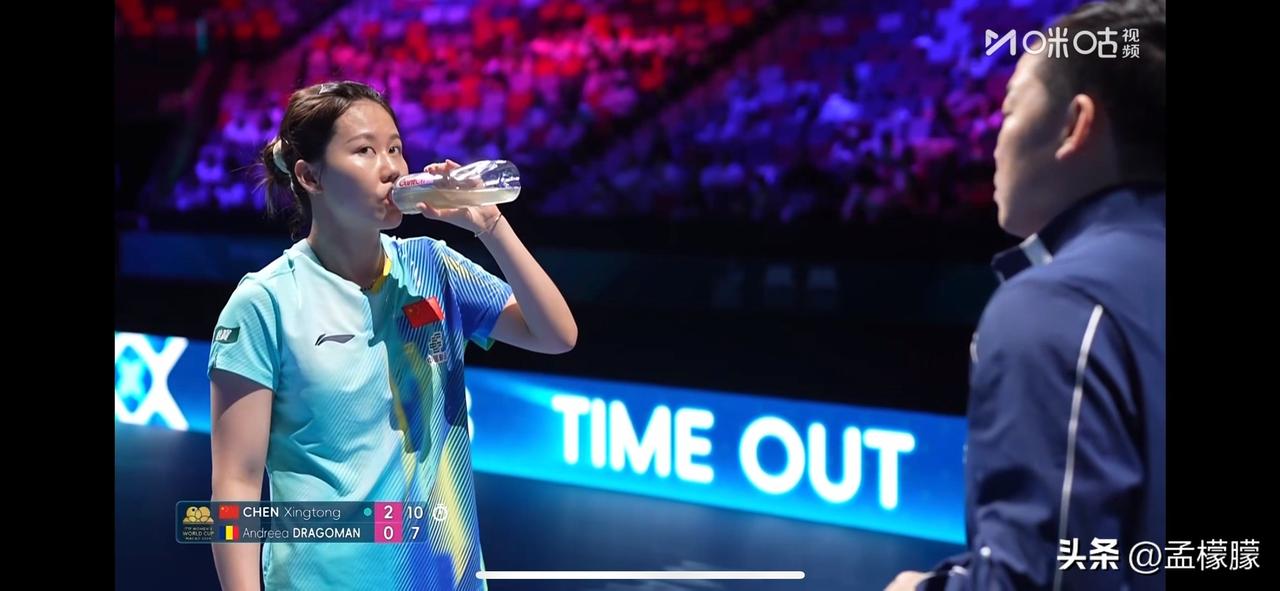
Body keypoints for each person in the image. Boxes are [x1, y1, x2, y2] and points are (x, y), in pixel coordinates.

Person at [208, 80, 578, 590]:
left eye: (396, 148)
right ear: (309, 176)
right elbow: (237, 483)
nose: (392, 168)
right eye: (365, 151)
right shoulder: (265, 302)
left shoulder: (435, 266)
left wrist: (491, 227)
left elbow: (556, 333)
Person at [886, 1, 1165, 589]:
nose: (993, 138)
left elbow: (1042, 579)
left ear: (1075, 124)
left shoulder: (1057, 306)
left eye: (1009, 108)